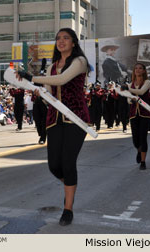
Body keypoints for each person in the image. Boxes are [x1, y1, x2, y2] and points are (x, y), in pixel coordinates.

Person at [16, 28, 91, 226]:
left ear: (74, 42)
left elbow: (62, 80)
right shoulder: (52, 66)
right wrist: (39, 91)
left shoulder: (80, 62)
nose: (61, 41)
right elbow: (51, 90)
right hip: (54, 118)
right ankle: (70, 186)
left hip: (75, 118)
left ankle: (68, 207)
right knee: (54, 166)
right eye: (58, 38)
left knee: (68, 162)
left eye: (66, 38)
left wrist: (32, 78)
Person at [127, 63, 150, 170]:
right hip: (133, 114)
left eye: (140, 68)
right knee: (135, 140)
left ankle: (143, 161)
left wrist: (129, 91)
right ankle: (139, 149)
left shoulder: (147, 82)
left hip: (145, 114)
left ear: (144, 71)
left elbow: (141, 92)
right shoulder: (130, 84)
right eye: (136, 68)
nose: (137, 70)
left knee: (143, 137)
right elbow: (128, 99)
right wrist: (130, 97)